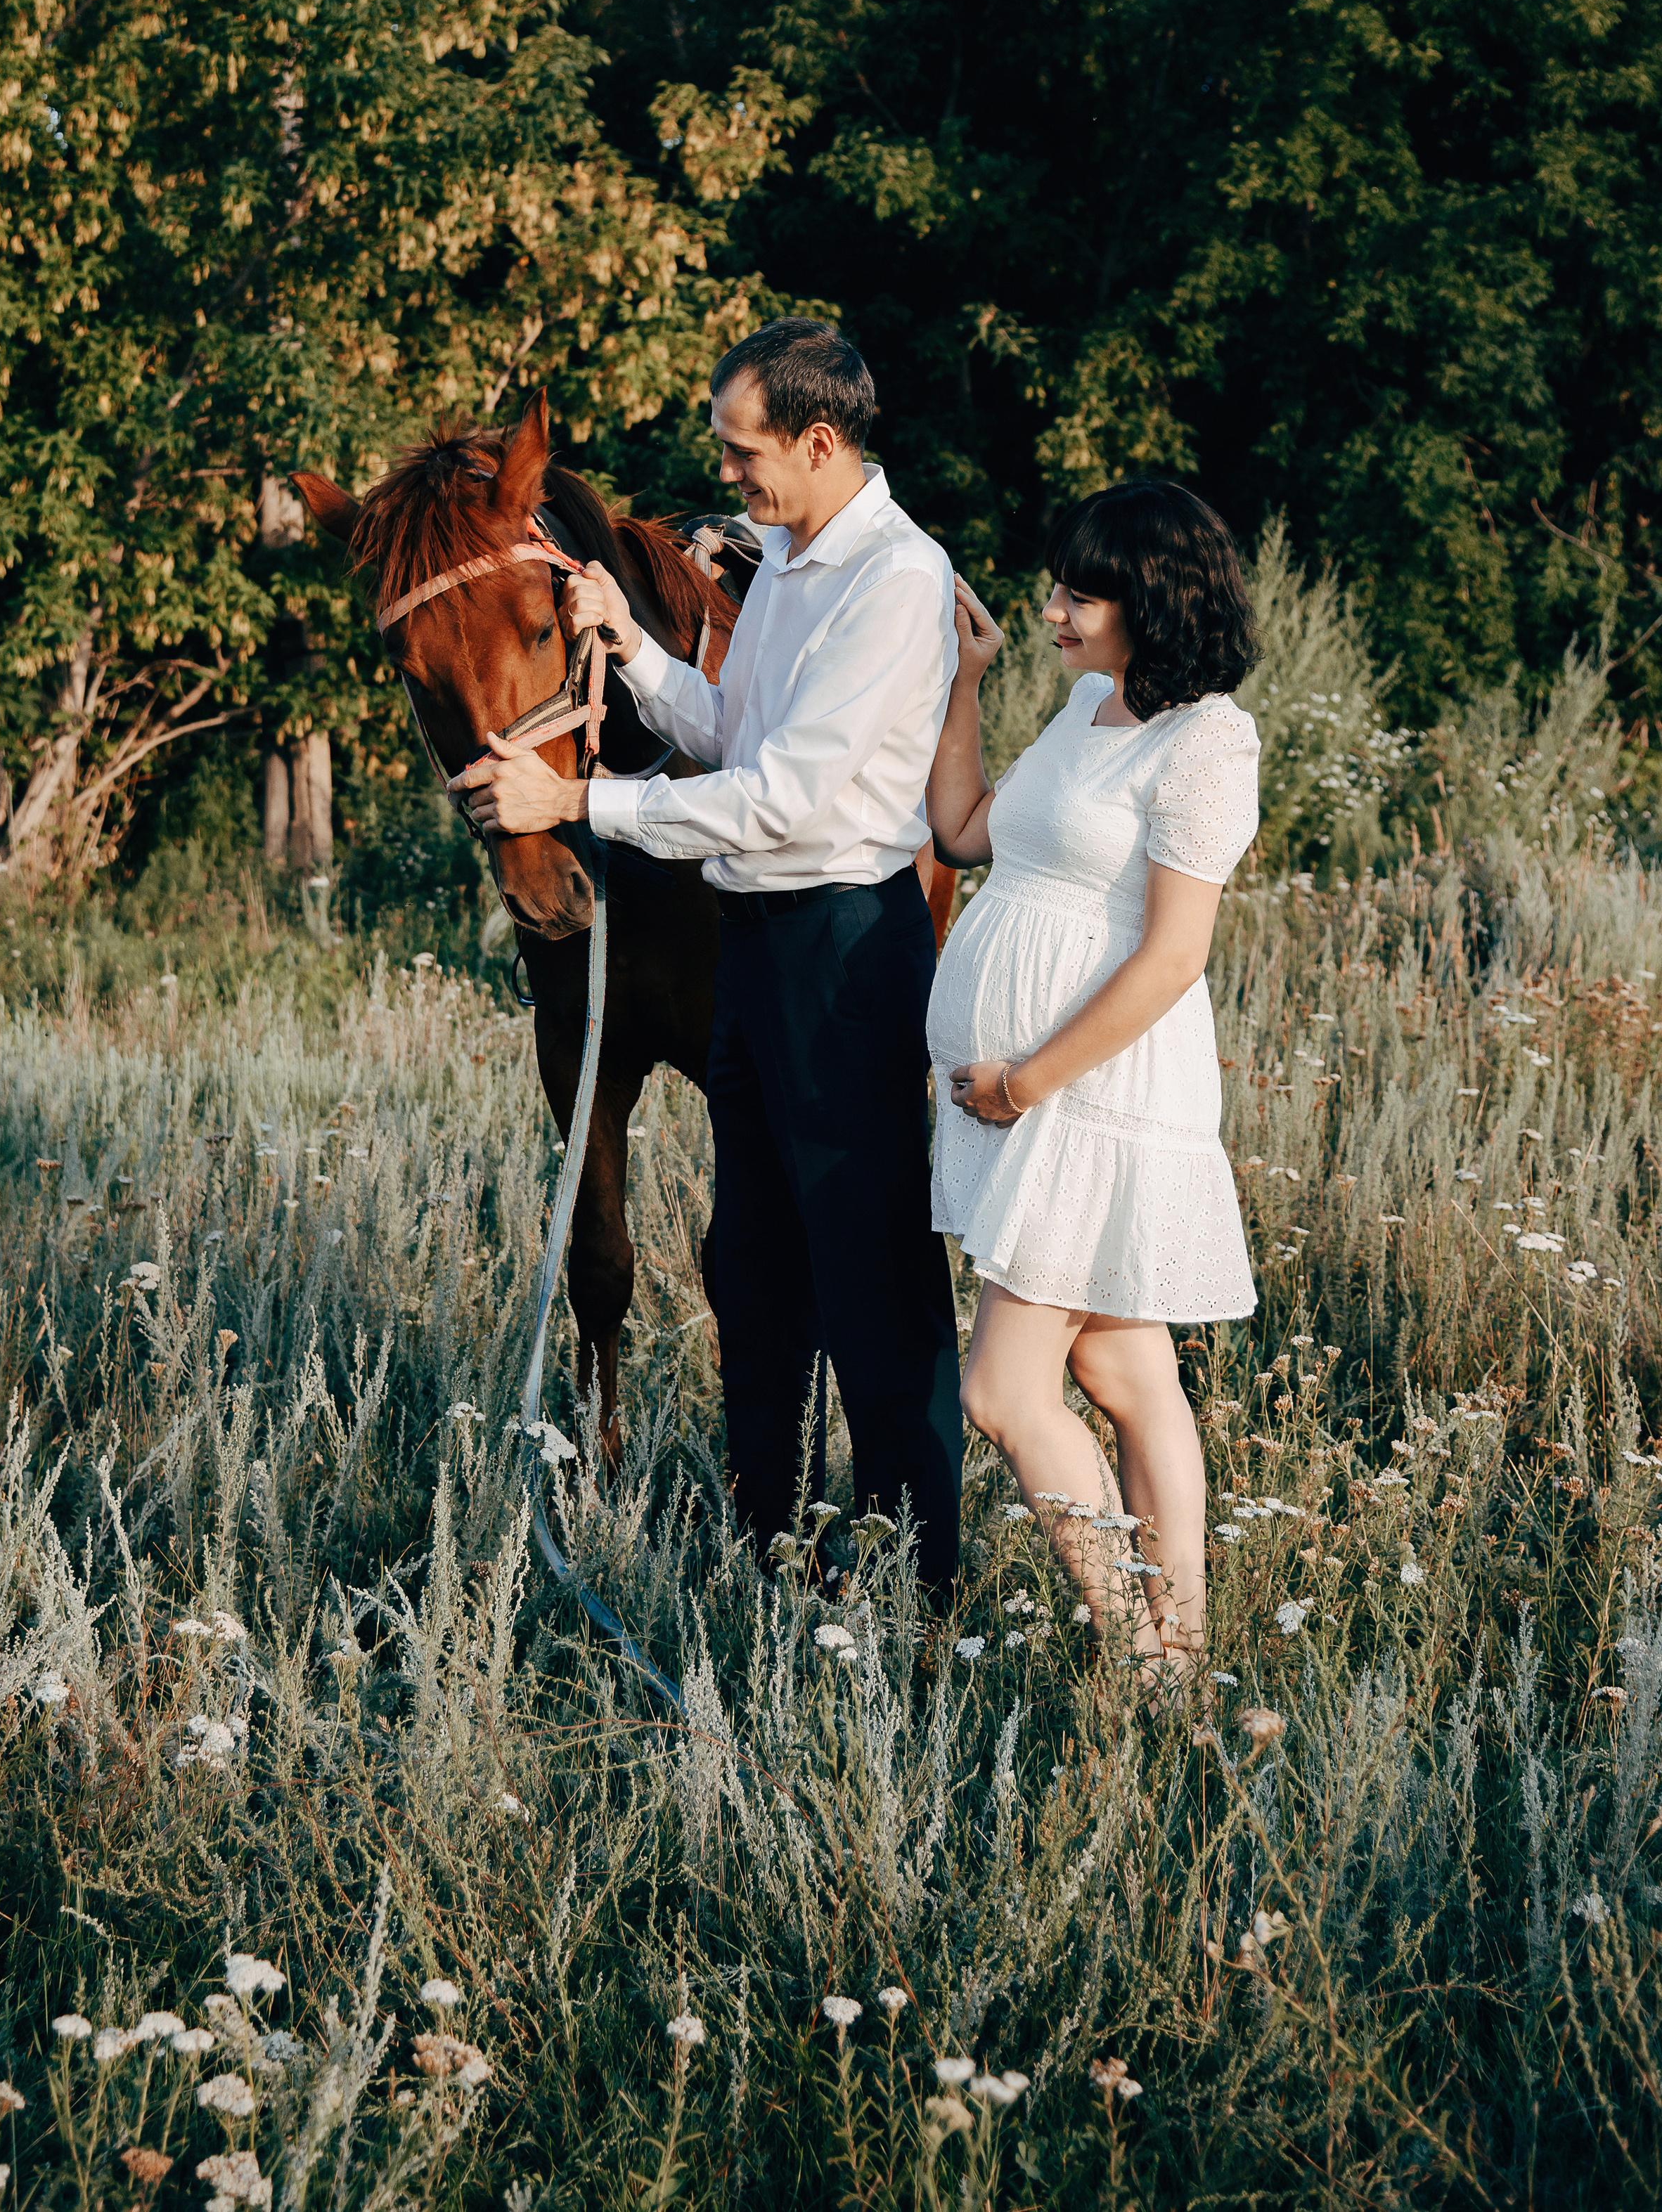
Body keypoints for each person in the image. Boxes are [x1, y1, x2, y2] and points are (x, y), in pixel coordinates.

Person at [463, 319, 965, 1591]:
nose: (729, 475)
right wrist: (629, 644)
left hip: (845, 953)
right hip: (759, 950)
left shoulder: (895, 581)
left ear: (819, 439)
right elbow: (731, 730)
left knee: (870, 1275)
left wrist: (574, 806)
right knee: (754, 1264)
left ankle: (915, 1570)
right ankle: (774, 1542)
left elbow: (782, 799)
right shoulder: (796, 561)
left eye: (745, 453)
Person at [925, 478, 1261, 1695]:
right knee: (1127, 1372)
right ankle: (1182, 1651)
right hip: (1034, 1096)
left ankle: (1137, 1648)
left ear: (1153, 601)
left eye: (1080, 592)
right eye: (1056, 586)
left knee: (1004, 1388)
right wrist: (968, 678)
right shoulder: (1086, 705)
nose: (1054, 609)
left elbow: (1174, 954)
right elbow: (963, 830)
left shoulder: (1206, 739)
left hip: (1092, 1094)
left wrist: (1025, 1081)